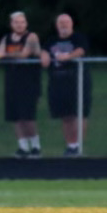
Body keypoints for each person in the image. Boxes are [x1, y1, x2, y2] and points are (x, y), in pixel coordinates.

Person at [0, 11, 43, 158]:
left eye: (22, 22)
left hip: (28, 82)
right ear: (11, 24)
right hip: (12, 81)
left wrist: (3, 55)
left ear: (26, 23)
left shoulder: (31, 37)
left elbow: (24, 54)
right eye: (16, 22)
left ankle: (36, 147)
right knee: (15, 116)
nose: (20, 25)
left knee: (27, 116)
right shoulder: (7, 38)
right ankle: (23, 147)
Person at [40, 13, 92, 157]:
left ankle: (78, 145)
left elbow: (81, 50)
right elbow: (44, 50)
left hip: (77, 82)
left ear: (72, 24)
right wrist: (43, 55)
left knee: (80, 114)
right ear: (56, 25)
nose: (64, 25)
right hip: (58, 82)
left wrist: (68, 56)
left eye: (66, 22)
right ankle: (71, 145)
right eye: (61, 22)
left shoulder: (78, 38)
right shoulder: (51, 40)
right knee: (66, 115)